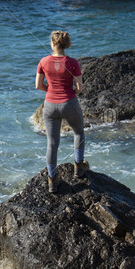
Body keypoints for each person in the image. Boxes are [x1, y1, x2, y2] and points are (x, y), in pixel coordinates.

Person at [35, 30, 88, 193]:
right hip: (69, 103)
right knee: (78, 132)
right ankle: (79, 167)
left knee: (52, 143)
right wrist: (70, 93)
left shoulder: (43, 61)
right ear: (66, 45)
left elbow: (38, 86)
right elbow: (79, 87)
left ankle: (52, 180)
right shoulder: (72, 62)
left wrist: (50, 91)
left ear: (52, 44)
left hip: (49, 105)